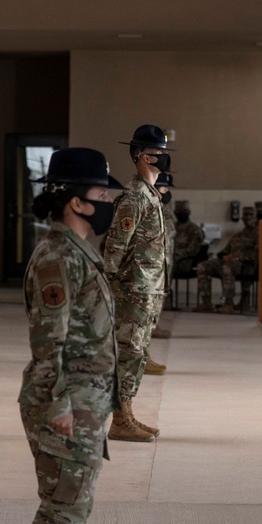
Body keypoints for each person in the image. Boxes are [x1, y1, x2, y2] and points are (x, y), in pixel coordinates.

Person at [19, 147, 119, 524]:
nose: (109, 202)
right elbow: (48, 344)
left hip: (86, 402)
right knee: (63, 511)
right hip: (67, 404)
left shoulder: (81, 252)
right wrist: (58, 406)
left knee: (73, 507)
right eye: (102, 193)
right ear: (77, 202)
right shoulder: (58, 258)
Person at [103, 124, 171, 443]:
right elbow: (115, 245)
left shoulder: (150, 195)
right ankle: (120, 420)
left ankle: (126, 414)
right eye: (161, 153)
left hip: (145, 289)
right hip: (131, 289)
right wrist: (108, 288)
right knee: (128, 352)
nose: (165, 159)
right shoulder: (134, 197)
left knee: (137, 353)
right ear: (145, 156)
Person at [193, 206, 259, 314]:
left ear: (255, 217)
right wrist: (223, 256)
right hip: (229, 261)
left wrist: (237, 257)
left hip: (246, 265)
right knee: (202, 266)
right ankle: (206, 302)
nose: (247, 218)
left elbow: (257, 253)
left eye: (250, 215)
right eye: (245, 215)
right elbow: (225, 250)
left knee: (226, 268)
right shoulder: (238, 235)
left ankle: (228, 303)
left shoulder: (259, 234)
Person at [148, 169, 175, 351]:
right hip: (154, 260)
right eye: (164, 188)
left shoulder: (165, 208)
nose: (167, 191)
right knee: (152, 295)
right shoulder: (149, 207)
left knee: (161, 294)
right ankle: (149, 328)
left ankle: (155, 325)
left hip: (166, 258)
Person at [172, 200, 205, 275]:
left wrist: (176, 254)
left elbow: (193, 250)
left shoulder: (194, 229)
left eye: (184, 211)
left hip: (184, 261)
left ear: (188, 212)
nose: (181, 213)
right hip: (170, 258)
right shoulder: (172, 227)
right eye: (179, 211)